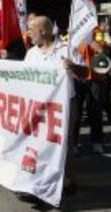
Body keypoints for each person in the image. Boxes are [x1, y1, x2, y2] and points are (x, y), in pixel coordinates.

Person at [24, 16, 87, 196]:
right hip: (38, 106)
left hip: (65, 104)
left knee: (65, 143)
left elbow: (85, 71)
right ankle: (40, 181)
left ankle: (68, 179)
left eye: (31, 30)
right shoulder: (31, 53)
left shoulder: (66, 49)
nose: (28, 34)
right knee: (39, 143)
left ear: (42, 31)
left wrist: (73, 66)